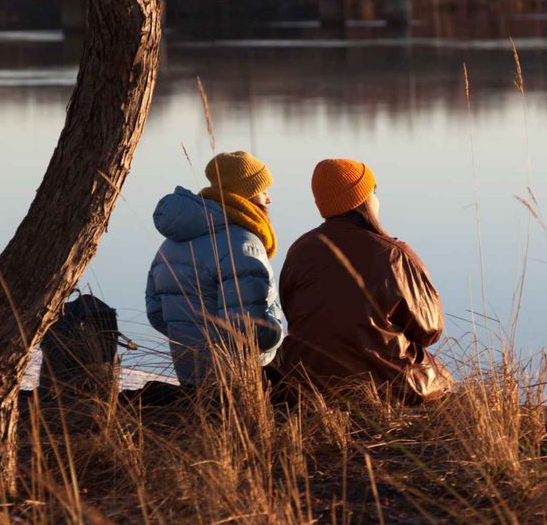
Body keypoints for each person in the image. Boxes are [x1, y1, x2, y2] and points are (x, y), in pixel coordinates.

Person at [274, 158, 451, 403]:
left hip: (307, 384)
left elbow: (292, 311)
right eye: (374, 191)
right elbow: (430, 329)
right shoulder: (393, 255)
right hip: (385, 387)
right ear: (363, 200)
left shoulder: (300, 250)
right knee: (440, 377)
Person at [145, 150, 284, 385]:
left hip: (190, 373)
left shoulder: (171, 243)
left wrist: (189, 339)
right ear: (246, 196)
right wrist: (277, 333)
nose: (268, 199)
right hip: (237, 379)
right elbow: (247, 328)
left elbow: (156, 312)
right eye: (263, 191)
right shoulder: (241, 244)